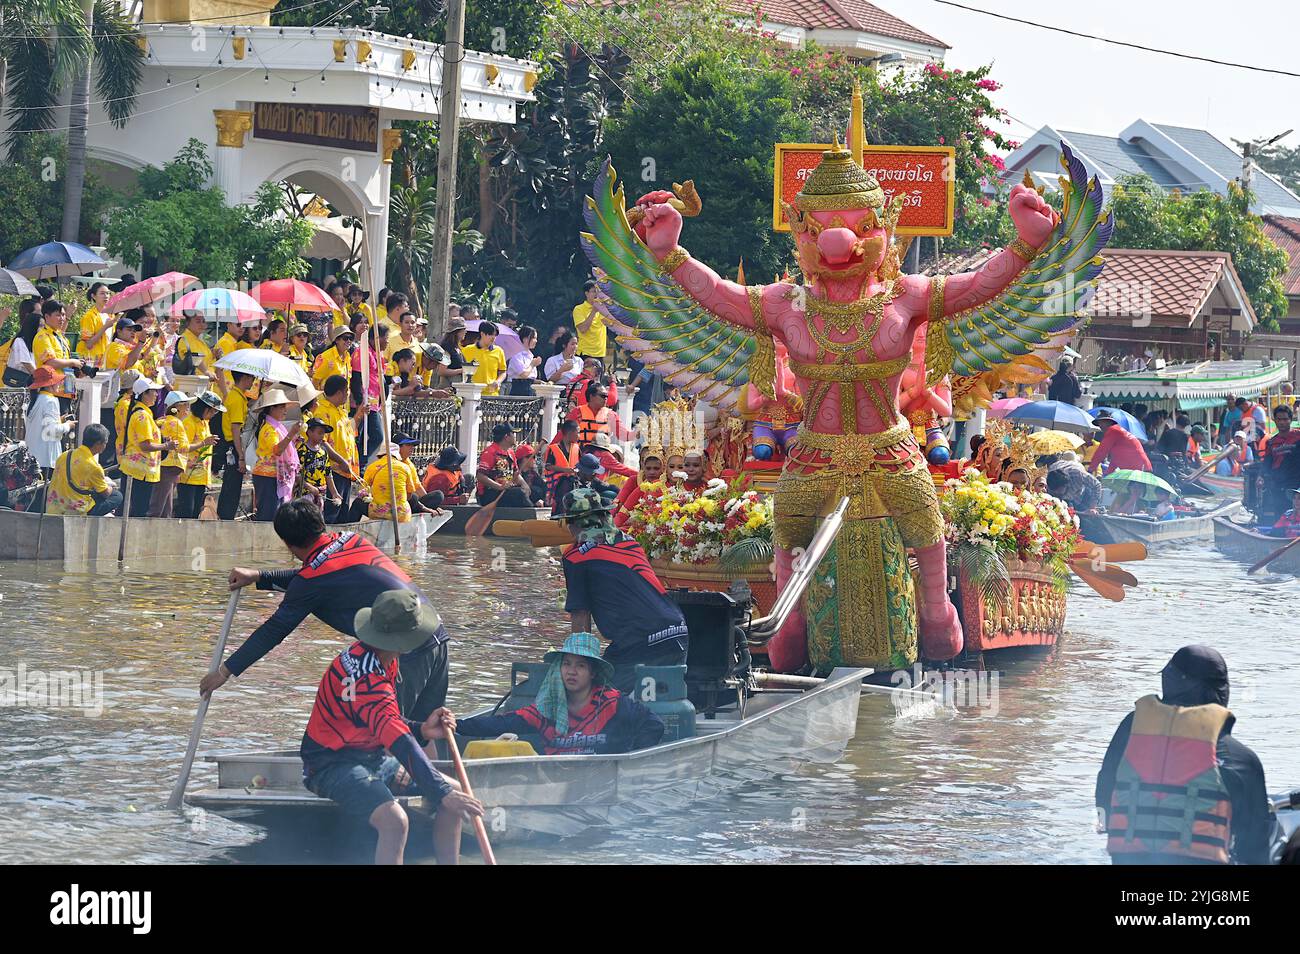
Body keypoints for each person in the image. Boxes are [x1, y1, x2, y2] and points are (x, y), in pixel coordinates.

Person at [202, 500, 454, 725]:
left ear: (288, 544)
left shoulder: (312, 580)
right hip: (436, 634)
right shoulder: (351, 540)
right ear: (320, 524)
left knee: (388, 730)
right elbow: (313, 579)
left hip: (407, 651)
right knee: (427, 728)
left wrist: (224, 672)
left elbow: (274, 630)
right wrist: (260, 577)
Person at [299, 589, 482, 864]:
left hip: (367, 757)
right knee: (395, 822)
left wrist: (422, 730)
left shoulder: (374, 656)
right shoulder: (370, 679)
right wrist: (440, 793)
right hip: (330, 764)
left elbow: (383, 720)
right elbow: (397, 737)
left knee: (456, 791)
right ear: (404, 641)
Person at [1095, 645, 1271, 865]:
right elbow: (1255, 845)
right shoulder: (1240, 760)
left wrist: (1112, 829)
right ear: (1221, 689)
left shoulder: (1130, 731)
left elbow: (1104, 791)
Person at [552, 488, 689, 692]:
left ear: (572, 525)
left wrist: (579, 667)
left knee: (596, 698)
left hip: (638, 640)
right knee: (661, 700)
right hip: (677, 630)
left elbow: (580, 615)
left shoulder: (575, 557)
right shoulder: (629, 542)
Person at [450, 633, 665, 756]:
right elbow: (499, 724)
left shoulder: (611, 703)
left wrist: (629, 757)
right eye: (567, 664)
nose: (572, 671)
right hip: (554, 781)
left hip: (602, 781)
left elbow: (653, 725)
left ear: (592, 673)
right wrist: (454, 725)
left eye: (580, 665)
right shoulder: (547, 707)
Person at [350, 434, 440, 523]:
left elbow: (363, 492)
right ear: (398, 448)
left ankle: (348, 528)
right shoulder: (405, 467)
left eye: (412, 446)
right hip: (402, 513)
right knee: (412, 497)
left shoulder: (374, 466)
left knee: (428, 496)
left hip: (382, 510)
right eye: (408, 445)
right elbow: (409, 494)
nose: (412, 448)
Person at [120, 377, 175, 517]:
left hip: (141, 471)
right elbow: (145, 445)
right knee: (138, 510)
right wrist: (166, 445)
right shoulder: (142, 416)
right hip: (138, 472)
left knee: (138, 509)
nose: (157, 395)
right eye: (154, 392)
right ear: (144, 394)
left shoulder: (145, 414)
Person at [313, 373, 364, 523]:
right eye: (347, 390)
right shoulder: (322, 411)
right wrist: (341, 461)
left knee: (343, 513)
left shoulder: (340, 411)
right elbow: (322, 441)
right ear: (340, 392)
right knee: (332, 512)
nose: (348, 394)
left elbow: (350, 433)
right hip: (333, 470)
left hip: (345, 470)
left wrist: (360, 413)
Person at [45, 424, 122, 516]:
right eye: (105, 442)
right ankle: (88, 517)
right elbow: (105, 493)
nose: (105, 446)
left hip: (54, 506)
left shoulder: (65, 455)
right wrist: (111, 487)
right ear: (98, 443)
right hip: (75, 509)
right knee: (117, 496)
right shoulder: (94, 466)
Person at [248, 389, 301, 522]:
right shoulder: (269, 429)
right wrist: (291, 434)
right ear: (272, 408)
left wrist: (292, 439)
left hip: (274, 477)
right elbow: (277, 450)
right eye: (282, 407)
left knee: (275, 514)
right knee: (268, 515)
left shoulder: (277, 427)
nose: (285, 410)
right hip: (267, 477)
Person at [216, 370, 256, 520]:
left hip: (233, 444)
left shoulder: (236, 396)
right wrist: (241, 456)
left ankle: (225, 517)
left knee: (231, 487)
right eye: (252, 378)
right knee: (232, 488)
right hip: (233, 446)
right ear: (245, 378)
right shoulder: (237, 399)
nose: (253, 382)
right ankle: (226, 519)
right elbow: (235, 429)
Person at [176, 391, 223, 519]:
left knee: (196, 510)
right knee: (187, 510)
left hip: (200, 476)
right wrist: (203, 443)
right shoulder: (189, 423)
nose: (213, 415)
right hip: (188, 475)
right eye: (213, 411)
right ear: (205, 408)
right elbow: (182, 447)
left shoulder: (204, 422)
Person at [151, 391, 199, 518]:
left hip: (165, 464)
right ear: (176, 407)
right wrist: (203, 443)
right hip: (170, 465)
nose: (188, 408)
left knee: (166, 504)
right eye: (185, 405)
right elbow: (183, 447)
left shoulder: (162, 420)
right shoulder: (176, 423)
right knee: (159, 504)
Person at [33, 299, 83, 411]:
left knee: (66, 425)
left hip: (66, 389)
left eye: (64, 315)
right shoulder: (43, 337)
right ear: (47, 316)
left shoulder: (61, 337)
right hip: (51, 390)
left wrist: (77, 367)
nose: (62, 318)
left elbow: (64, 361)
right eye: (58, 315)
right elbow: (51, 362)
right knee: (54, 426)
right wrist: (73, 362)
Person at [475, 422, 531, 507]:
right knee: (519, 494)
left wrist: (524, 484)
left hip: (506, 491)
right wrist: (500, 487)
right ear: (506, 437)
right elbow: (480, 476)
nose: (515, 436)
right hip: (491, 493)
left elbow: (515, 473)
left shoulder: (511, 452)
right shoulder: (490, 452)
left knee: (533, 491)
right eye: (513, 434)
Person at [613, 449, 664, 528]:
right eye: (648, 468)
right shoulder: (638, 484)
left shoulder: (669, 486)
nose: (652, 472)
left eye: (656, 468)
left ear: (663, 469)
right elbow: (620, 508)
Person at [1087, 414, 1151, 475]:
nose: (1100, 426)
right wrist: (1108, 474)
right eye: (1099, 424)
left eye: (1102, 422)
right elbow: (1115, 458)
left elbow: (1101, 452)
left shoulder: (1112, 430)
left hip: (1138, 469)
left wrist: (1090, 470)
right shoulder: (1117, 431)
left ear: (1109, 422)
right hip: (1141, 467)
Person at [460, 320, 507, 396]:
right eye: (490, 334)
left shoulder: (499, 351)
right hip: (471, 392)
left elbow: (503, 371)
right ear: (482, 334)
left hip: (492, 394)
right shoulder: (467, 350)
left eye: (495, 335)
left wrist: (498, 381)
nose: (493, 337)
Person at [543, 419, 581, 506]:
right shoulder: (553, 448)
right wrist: (565, 470)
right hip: (558, 484)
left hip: (573, 481)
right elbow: (548, 466)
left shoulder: (577, 448)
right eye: (577, 432)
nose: (579, 436)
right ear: (570, 433)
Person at [2, 304, 40, 387]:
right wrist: (42, 378)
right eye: (40, 326)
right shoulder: (19, 341)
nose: (43, 329)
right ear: (33, 326)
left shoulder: (36, 343)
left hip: (27, 385)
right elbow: (27, 363)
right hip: (15, 386)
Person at [573, 279, 610, 362]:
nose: (596, 294)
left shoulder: (603, 309)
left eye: (598, 291)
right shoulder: (579, 309)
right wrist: (593, 311)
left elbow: (612, 324)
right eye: (594, 291)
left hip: (600, 354)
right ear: (586, 293)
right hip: (586, 353)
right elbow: (583, 329)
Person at [312, 324, 354, 390]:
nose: (349, 341)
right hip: (326, 399)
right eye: (345, 338)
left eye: (351, 338)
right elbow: (315, 381)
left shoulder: (348, 356)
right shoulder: (325, 357)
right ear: (337, 340)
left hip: (343, 398)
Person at [506, 324, 542, 396]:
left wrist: (540, 382)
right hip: (518, 389)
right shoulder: (516, 354)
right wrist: (532, 364)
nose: (536, 341)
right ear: (525, 339)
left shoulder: (530, 355)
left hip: (530, 389)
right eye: (533, 338)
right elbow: (523, 374)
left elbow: (530, 377)